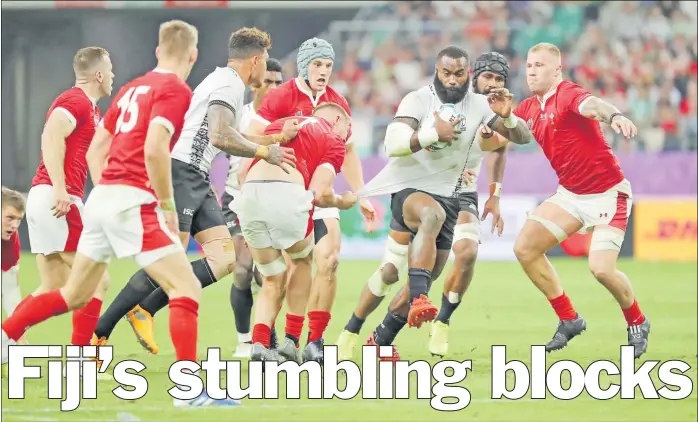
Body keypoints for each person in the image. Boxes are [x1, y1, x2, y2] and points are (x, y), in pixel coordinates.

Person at [2, 20, 239, 407]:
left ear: (158, 51)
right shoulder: (175, 90)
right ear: (192, 56)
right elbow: (155, 150)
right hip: (132, 202)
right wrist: (164, 205)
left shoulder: (131, 88)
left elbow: (97, 151)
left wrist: (106, 189)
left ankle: (11, 338)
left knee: (74, 292)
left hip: (101, 200)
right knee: (185, 287)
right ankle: (189, 392)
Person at [92, 29, 296, 355]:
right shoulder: (229, 84)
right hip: (181, 172)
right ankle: (99, 333)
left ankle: (145, 309)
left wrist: (272, 142)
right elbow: (219, 136)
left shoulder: (225, 81)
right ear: (255, 61)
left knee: (224, 257)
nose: (267, 76)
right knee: (167, 260)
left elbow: (230, 135)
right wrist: (264, 152)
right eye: (265, 68)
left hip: (196, 176)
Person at [356, 46, 533, 360]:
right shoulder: (436, 102)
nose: (492, 83)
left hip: (461, 193)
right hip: (422, 190)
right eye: (487, 77)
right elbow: (399, 140)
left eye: (498, 78)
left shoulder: (487, 110)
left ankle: (433, 322)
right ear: (473, 77)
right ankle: (368, 331)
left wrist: (495, 193)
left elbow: (506, 144)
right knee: (396, 271)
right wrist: (427, 135)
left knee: (460, 255)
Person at [506, 43, 648, 358]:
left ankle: (637, 321)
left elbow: (594, 106)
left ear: (557, 70)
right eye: (529, 65)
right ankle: (569, 318)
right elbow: (496, 139)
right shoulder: (528, 108)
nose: (532, 70)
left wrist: (615, 115)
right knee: (525, 248)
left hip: (609, 194)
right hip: (571, 195)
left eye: (539, 65)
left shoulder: (568, 95)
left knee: (600, 269)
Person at [245, 37, 377, 361]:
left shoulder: (338, 104)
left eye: (328, 65)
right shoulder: (281, 96)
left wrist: (361, 195)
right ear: (304, 65)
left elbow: (347, 151)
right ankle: (284, 338)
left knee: (329, 261)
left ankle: (314, 341)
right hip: (286, 192)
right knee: (290, 268)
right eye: (317, 64)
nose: (323, 71)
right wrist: (277, 138)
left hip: (318, 193)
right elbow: (249, 138)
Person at [239, 103, 356, 362]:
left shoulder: (280, 125)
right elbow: (319, 194)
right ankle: (291, 341)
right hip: (287, 193)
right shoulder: (333, 138)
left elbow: (240, 171)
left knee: (271, 277)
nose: (348, 136)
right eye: (348, 128)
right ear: (338, 120)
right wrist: (342, 201)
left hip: (249, 196)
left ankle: (258, 345)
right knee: (302, 260)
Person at [21, 46, 113, 348]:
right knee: (97, 280)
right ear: (99, 74)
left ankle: (6, 338)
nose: (113, 76)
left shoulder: (90, 108)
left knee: (53, 286)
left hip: (45, 197)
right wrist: (61, 189)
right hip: (58, 198)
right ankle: (81, 358)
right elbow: (50, 135)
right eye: (110, 70)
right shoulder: (76, 101)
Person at [224, 57, 284, 358]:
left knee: (269, 275)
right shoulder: (238, 115)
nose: (272, 87)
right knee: (243, 270)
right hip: (236, 199)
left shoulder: (287, 120)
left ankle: (267, 338)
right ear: (255, 84)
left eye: (278, 82)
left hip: (272, 203)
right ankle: (244, 340)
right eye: (268, 81)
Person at [1, 187, 29, 345]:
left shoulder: (11, 244)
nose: (14, 225)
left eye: (19, 219)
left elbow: (11, 295)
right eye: (10, 218)